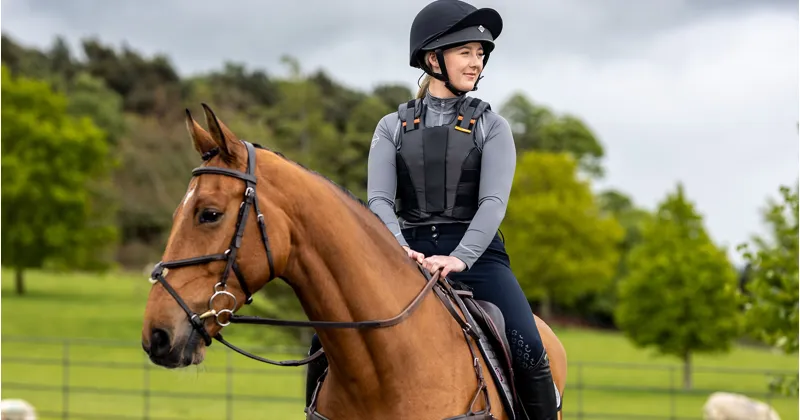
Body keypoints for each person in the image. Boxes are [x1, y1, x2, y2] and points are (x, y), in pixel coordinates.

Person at [305, 1, 559, 419]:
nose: (476, 62)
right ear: (432, 58)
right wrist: (400, 250)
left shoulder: (493, 127)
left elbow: (493, 203)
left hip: (478, 259)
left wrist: (459, 258)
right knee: (326, 336)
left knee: (529, 347)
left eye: (481, 53)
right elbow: (380, 201)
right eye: (466, 52)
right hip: (405, 253)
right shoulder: (391, 127)